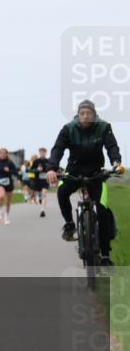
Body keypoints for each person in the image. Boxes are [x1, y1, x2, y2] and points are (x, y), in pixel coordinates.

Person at [46, 100, 124, 264]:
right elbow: (57, 149)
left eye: (89, 113)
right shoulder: (68, 129)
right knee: (62, 192)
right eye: (82, 113)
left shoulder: (104, 127)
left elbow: (112, 147)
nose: (85, 116)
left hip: (96, 173)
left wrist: (116, 162)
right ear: (78, 115)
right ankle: (69, 224)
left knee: (102, 211)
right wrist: (52, 168)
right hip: (74, 171)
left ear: (94, 115)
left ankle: (105, 255)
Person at [0, 147, 18, 224]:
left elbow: (15, 172)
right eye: (1, 153)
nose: (2, 154)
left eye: (4, 153)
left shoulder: (10, 162)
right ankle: (0, 212)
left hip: (9, 184)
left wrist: (9, 170)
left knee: (8, 201)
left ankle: (6, 217)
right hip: (0, 183)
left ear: (7, 154)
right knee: (0, 197)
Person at [29, 147, 50, 217]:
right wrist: (37, 170)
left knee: (44, 194)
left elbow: (52, 169)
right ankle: (40, 197)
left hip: (45, 181)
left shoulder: (48, 161)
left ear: (46, 153)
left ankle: (42, 210)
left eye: (44, 152)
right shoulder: (36, 161)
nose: (42, 153)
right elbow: (30, 170)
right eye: (41, 152)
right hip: (37, 181)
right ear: (39, 153)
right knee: (39, 193)